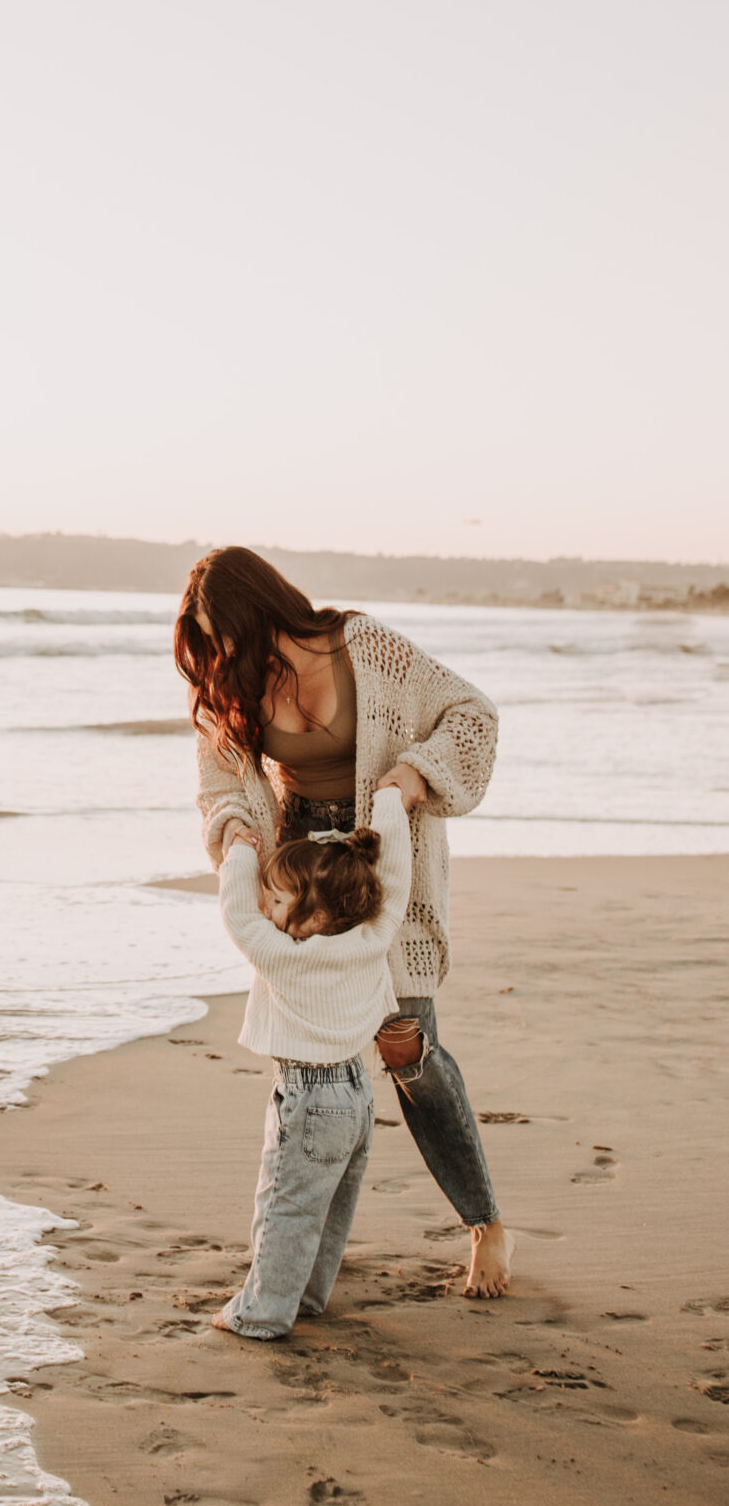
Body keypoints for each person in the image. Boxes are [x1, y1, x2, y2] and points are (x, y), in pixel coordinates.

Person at [175, 546, 514, 1300]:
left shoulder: (365, 647)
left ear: (258, 609)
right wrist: (233, 828)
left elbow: (470, 714)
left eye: (223, 629)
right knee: (310, 1069)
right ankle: (299, 1252)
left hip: (383, 858)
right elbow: (217, 780)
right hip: (302, 882)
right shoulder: (232, 685)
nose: (219, 649)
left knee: (408, 1050)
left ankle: (485, 1223)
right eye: (207, 637)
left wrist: (414, 774)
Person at [211, 788, 410, 1338]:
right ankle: (307, 1295)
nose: (264, 910)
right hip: (357, 1093)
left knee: (286, 1206)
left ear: (317, 916)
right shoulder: (372, 937)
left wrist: (240, 851)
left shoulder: (288, 959)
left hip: (309, 1096)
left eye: (276, 901)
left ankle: (264, 1312)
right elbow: (396, 881)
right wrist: (391, 801)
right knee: (330, 1207)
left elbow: (236, 918)